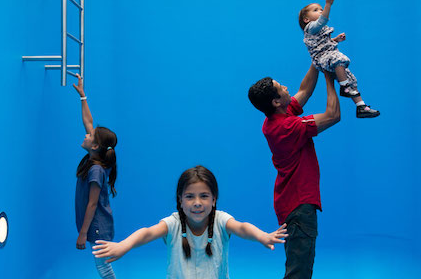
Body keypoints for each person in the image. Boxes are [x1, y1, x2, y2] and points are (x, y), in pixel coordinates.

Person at [92, 165, 287, 279]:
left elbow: (242, 227)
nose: (197, 203)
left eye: (204, 196)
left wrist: (263, 236)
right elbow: (147, 232)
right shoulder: (174, 223)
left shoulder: (220, 220)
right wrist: (123, 246)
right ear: (180, 200)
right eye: (190, 197)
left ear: (214, 199)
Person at [248, 67, 340, 278]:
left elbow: (305, 90)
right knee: (299, 272)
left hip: (291, 202)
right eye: (281, 87)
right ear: (276, 102)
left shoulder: (276, 118)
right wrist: (329, 77)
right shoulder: (287, 127)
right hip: (299, 206)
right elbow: (333, 115)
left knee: (299, 266)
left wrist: (316, 62)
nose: (286, 87)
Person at [299, 0, 380, 118]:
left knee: (350, 78)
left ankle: (361, 106)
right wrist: (328, 4)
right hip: (322, 59)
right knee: (340, 58)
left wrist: (336, 39)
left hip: (329, 57)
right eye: (316, 10)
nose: (320, 11)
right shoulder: (310, 27)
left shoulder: (319, 30)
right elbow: (322, 20)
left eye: (321, 9)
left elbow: (324, 43)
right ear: (306, 19)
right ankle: (344, 87)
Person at [73, 74, 119, 279]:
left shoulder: (95, 170)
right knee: (102, 266)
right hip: (100, 225)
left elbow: (92, 204)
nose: (86, 134)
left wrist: (83, 233)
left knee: (103, 268)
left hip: (98, 226)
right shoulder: (96, 159)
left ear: (95, 146)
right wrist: (83, 96)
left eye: (90, 136)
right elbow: (88, 121)